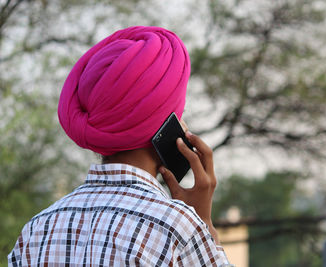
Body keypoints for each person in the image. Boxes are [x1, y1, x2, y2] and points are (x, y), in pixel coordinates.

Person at [8, 26, 232, 266]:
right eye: (179, 114)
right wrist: (204, 224)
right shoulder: (177, 227)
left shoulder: (38, 229)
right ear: (165, 127)